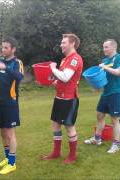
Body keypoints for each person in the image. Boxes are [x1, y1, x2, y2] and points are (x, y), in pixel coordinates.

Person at [41, 33, 83, 164]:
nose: (61, 45)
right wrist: (48, 82)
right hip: (59, 97)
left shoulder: (75, 58)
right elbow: (61, 80)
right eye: (61, 43)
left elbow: (65, 77)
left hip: (69, 99)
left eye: (64, 43)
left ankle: (72, 155)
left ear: (72, 44)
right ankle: (56, 152)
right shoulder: (65, 59)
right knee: (56, 124)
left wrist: (52, 68)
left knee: (69, 126)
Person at [84, 39, 120, 154]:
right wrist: (96, 85)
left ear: (114, 47)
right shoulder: (105, 60)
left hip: (117, 92)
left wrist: (105, 67)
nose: (104, 49)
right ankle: (97, 138)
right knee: (99, 115)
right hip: (106, 92)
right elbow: (103, 78)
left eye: (106, 47)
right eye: (103, 47)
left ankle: (116, 144)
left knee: (115, 119)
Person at [0, 37, 24, 175]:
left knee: (10, 134)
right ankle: (7, 159)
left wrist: (5, 67)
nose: (3, 50)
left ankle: (12, 163)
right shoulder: (0, 62)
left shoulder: (17, 63)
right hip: (0, 102)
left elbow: (19, 77)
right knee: (2, 132)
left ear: (13, 49)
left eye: (6, 47)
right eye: (2, 47)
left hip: (11, 103)